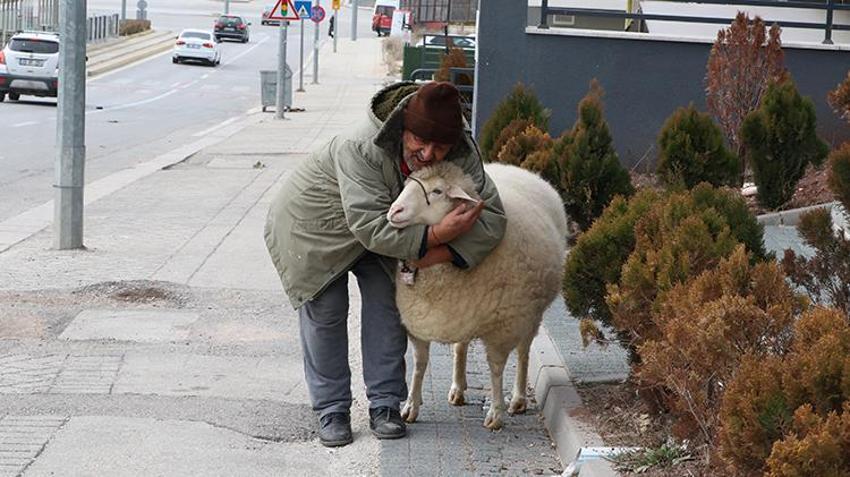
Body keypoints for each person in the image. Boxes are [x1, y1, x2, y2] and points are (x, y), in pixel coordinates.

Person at [264, 82, 506, 447]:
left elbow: (493, 218)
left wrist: (429, 255)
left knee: (389, 307)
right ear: (401, 129)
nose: (428, 153)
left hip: (390, 226)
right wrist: (438, 235)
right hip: (314, 228)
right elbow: (370, 229)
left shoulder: (460, 149)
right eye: (419, 142)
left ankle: (385, 405)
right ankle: (332, 409)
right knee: (326, 312)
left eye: (439, 147)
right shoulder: (360, 146)